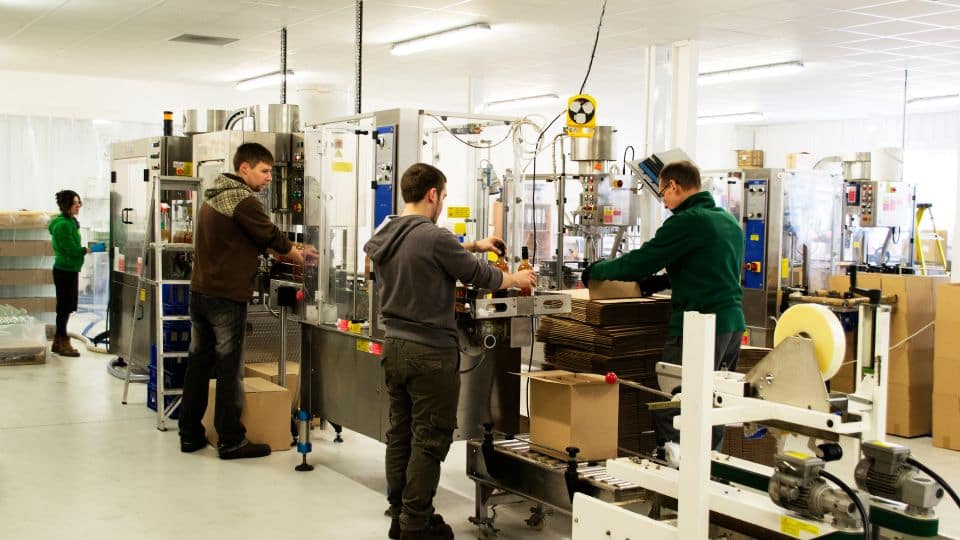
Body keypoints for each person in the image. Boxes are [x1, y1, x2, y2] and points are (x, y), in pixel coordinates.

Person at [364, 163, 536, 540]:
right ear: (432, 195)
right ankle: (415, 523)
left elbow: (430, 252)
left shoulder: (387, 231)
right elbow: (482, 276)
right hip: (430, 351)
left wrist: (475, 245)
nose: (442, 204)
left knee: (402, 432)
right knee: (430, 437)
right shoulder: (434, 235)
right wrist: (516, 278)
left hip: (394, 344)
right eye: (443, 197)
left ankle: (401, 510)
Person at [582, 160, 744, 452]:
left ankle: (677, 474)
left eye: (663, 193)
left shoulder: (687, 221)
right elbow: (709, 269)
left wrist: (597, 270)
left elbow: (639, 262)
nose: (665, 202)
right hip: (732, 326)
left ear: (674, 186)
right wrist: (663, 282)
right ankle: (709, 469)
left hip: (698, 328)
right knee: (713, 401)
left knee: (674, 401)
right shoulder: (727, 220)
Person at [178, 142, 313, 460]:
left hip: (200, 293)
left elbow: (240, 238)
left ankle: (189, 433)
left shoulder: (215, 196)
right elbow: (270, 235)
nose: (268, 178)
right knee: (229, 369)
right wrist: (298, 255)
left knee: (198, 364)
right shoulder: (243, 200)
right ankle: (230, 439)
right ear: (244, 169)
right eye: (264, 171)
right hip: (226, 297)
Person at [49, 190, 104, 357]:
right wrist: (86, 250)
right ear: (66, 206)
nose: (78, 206)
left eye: (78, 202)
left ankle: (59, 340)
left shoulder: (70, 221)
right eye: (74, 203)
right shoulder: (63, 225)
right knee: (64, 307)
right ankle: (62, 341)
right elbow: (71, 249)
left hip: (70, 269)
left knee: (66, 307)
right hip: (64, 270)